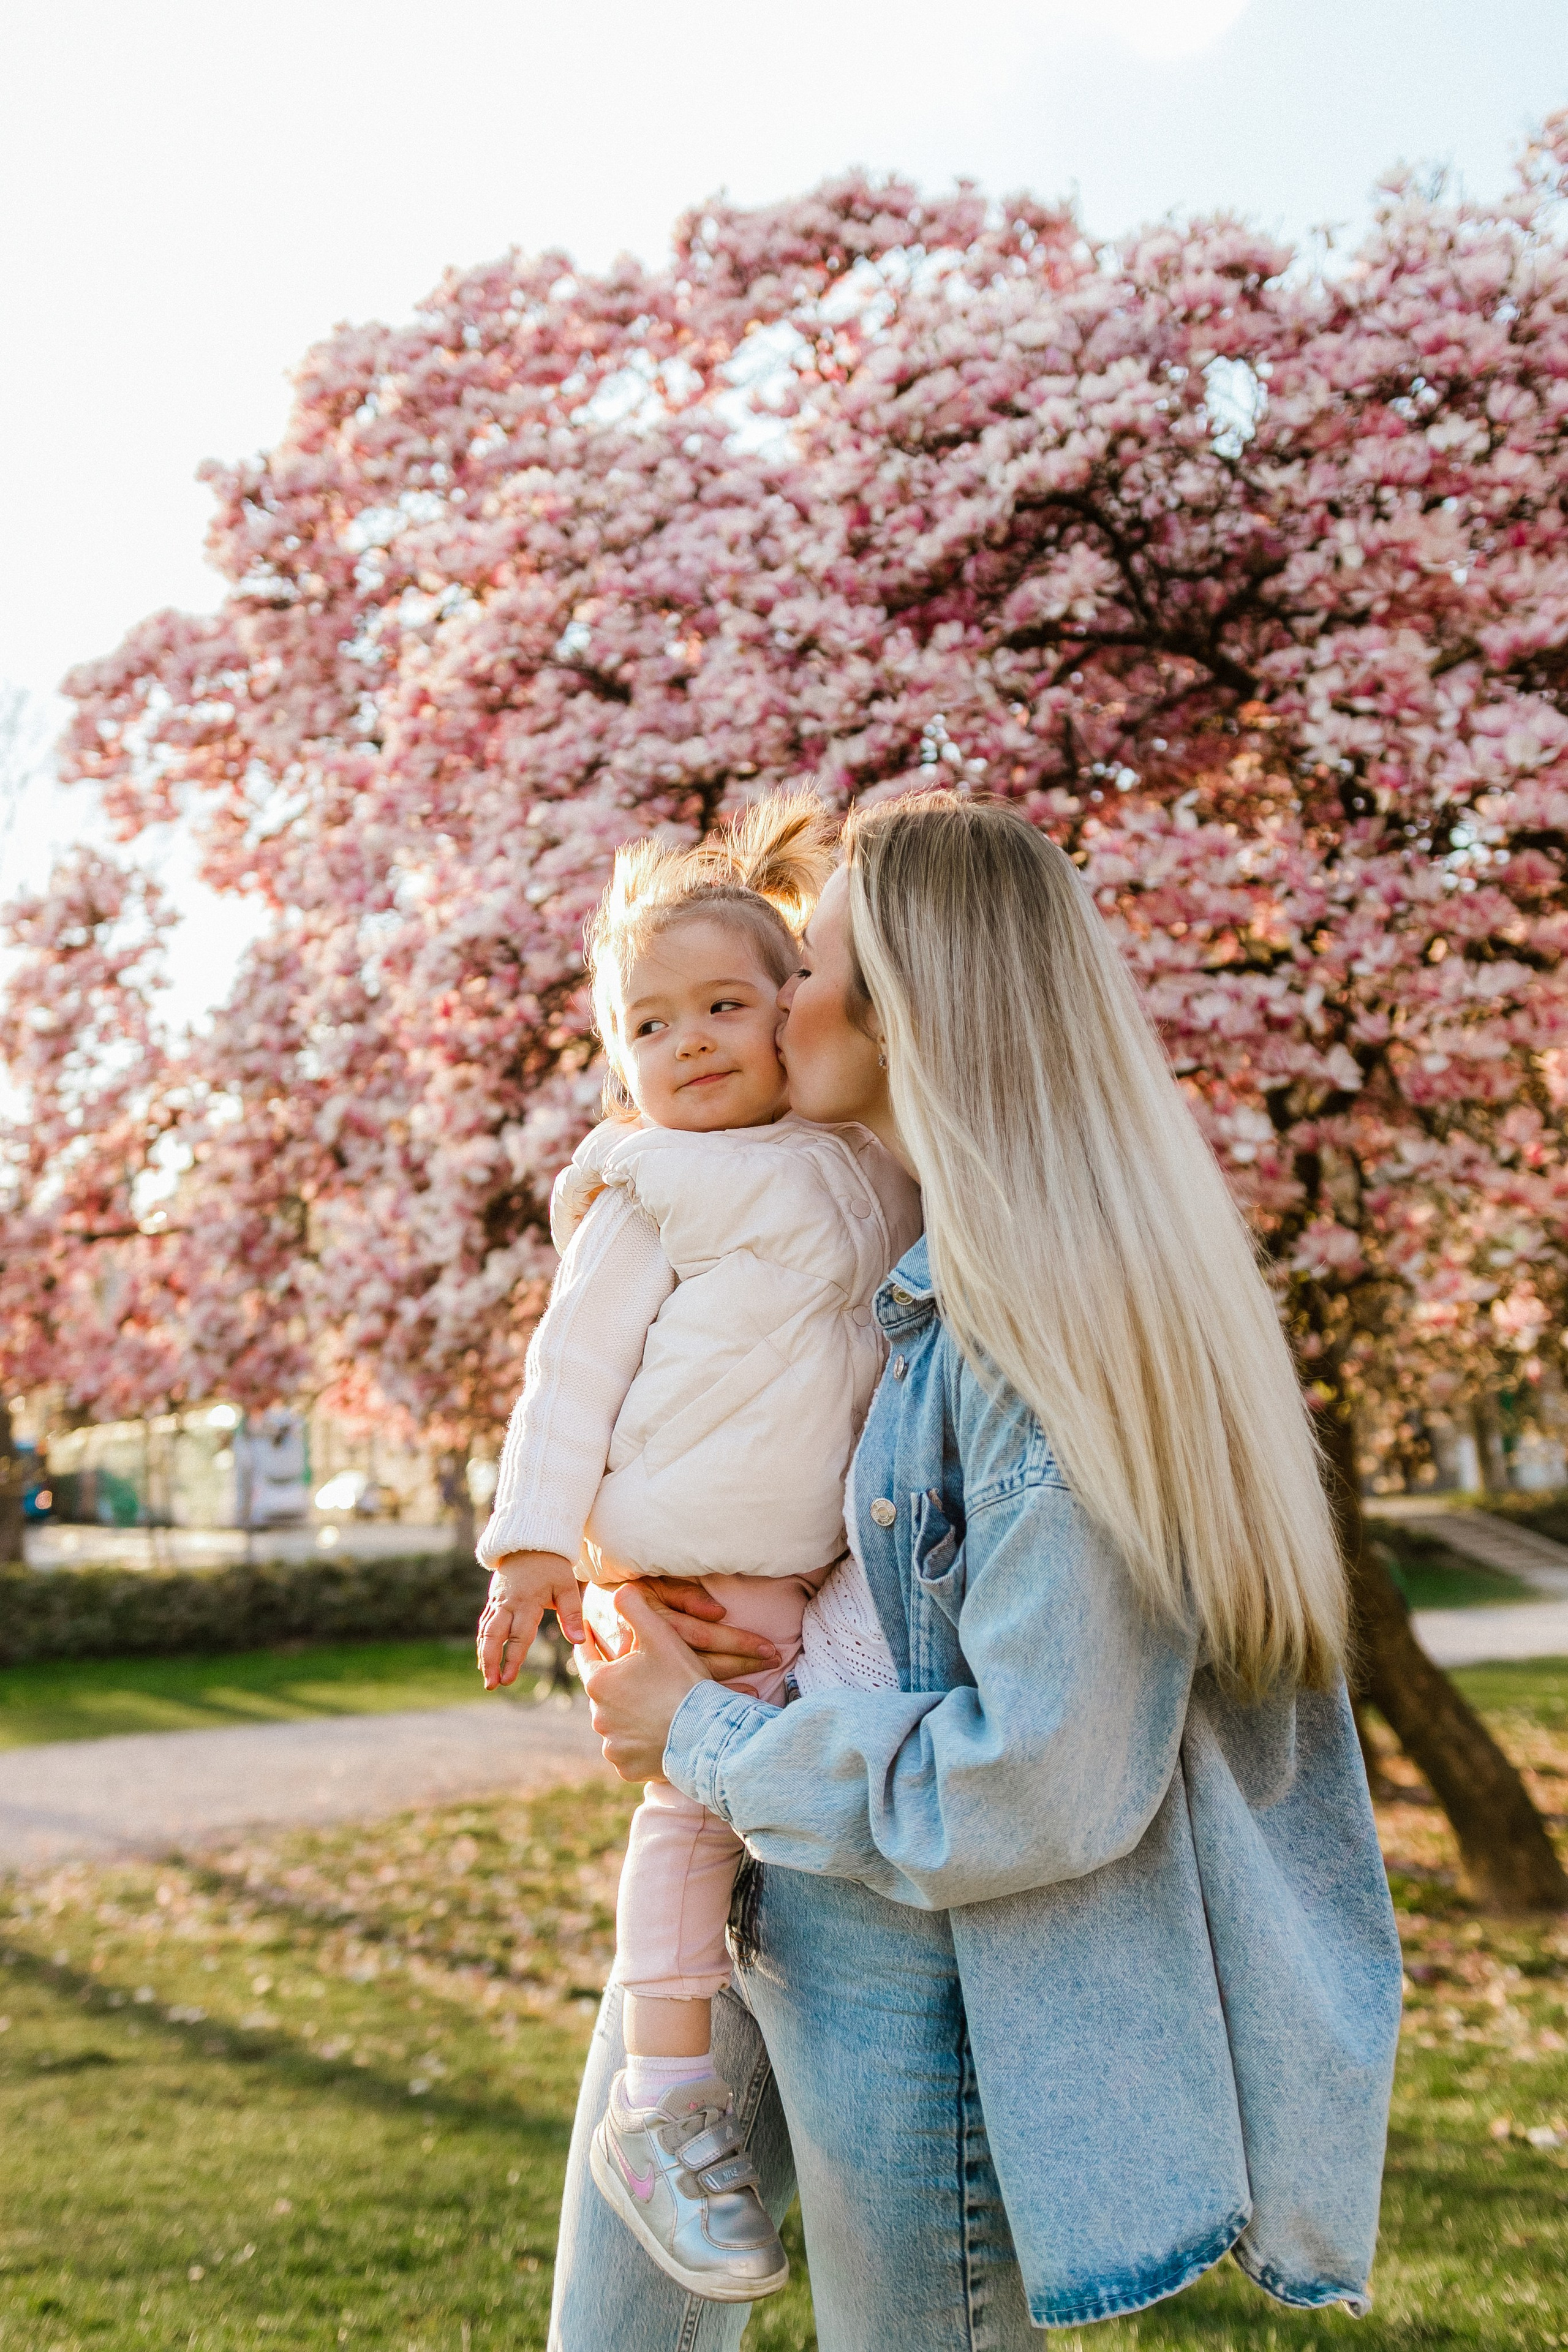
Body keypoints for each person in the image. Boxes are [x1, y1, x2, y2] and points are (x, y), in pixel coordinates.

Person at [552, 789, 1403, 2352]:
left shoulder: (1047, 1341)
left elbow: (1041, 1779)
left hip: (897, 1940)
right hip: (733, 1871)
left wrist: (704, 1730)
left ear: (909, 1009)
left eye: (805, 966)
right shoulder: (875, 1270)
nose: (774, 996)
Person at [473, 796, 919, 2302]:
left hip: (795, 1583)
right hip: (678, 1565)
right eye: (651, 1027)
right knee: (686, 1813)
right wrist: (534, 1547)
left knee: (731, 1806)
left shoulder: (861, 1164)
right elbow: (570, 1374)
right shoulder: (646, 1188)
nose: (693, 1044)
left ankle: (702, 2095)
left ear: (796, 1008)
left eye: (729, 1005)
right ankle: (664, 2100)